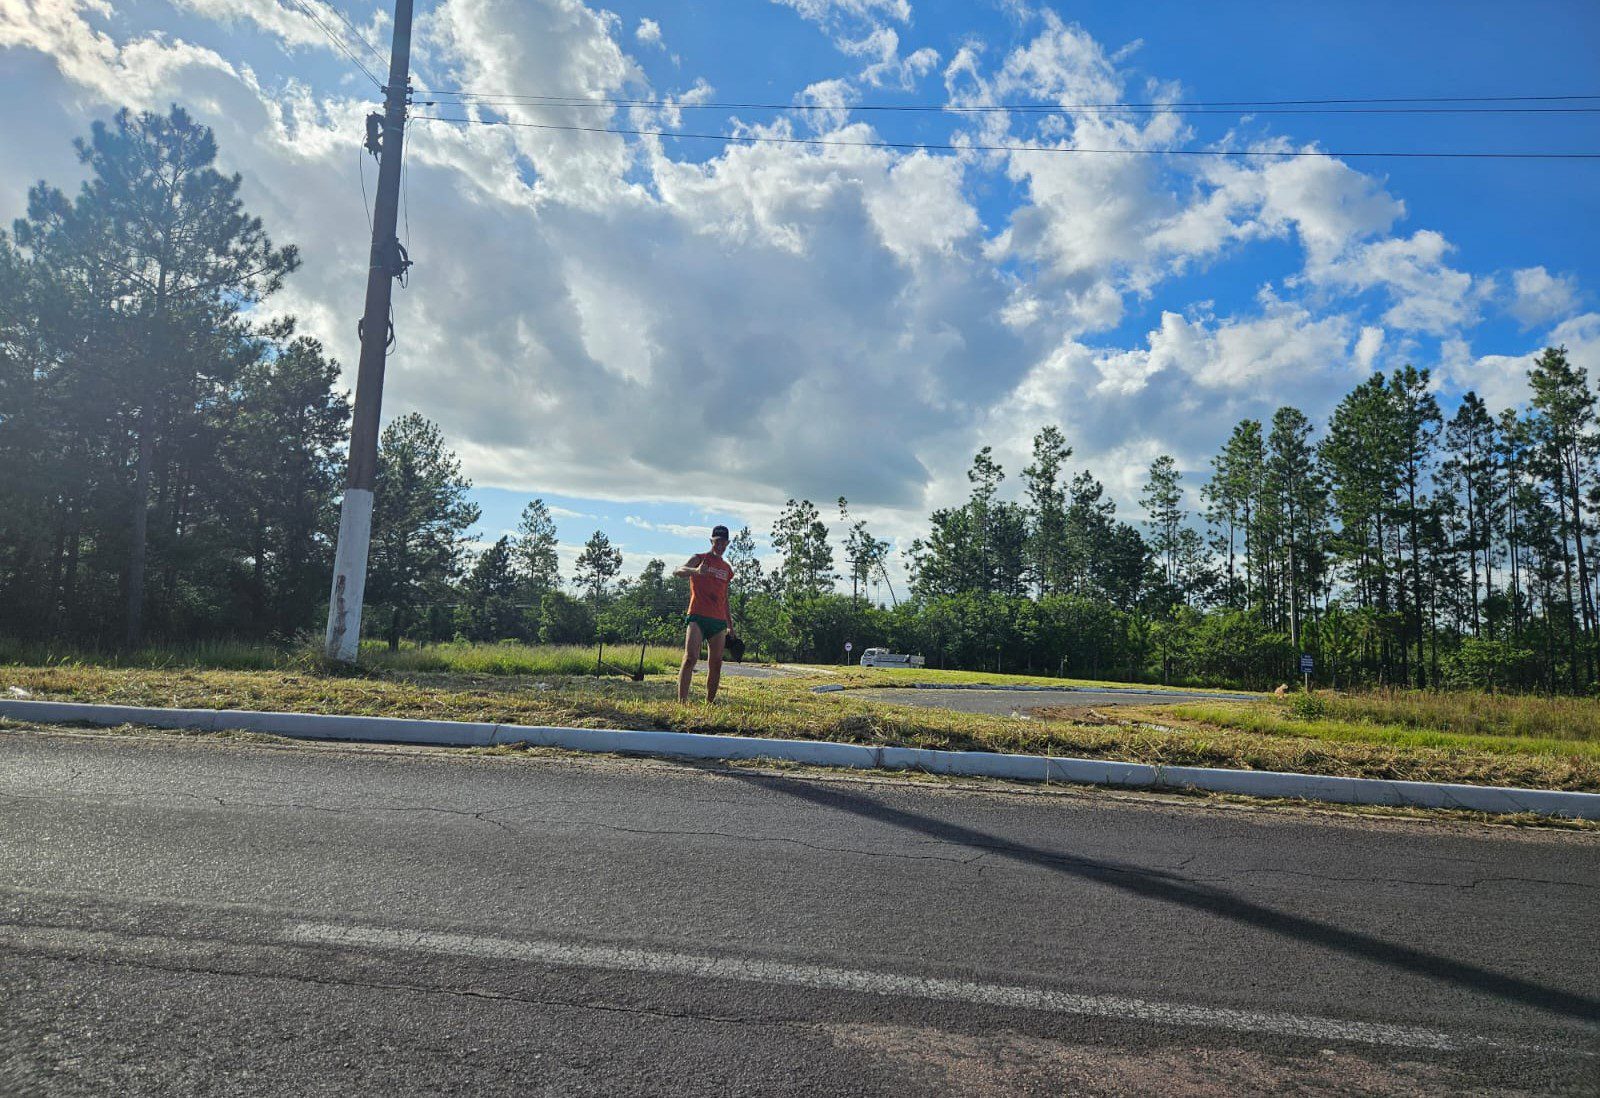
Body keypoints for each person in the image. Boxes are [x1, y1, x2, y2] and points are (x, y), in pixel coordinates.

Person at [675, 525, 733, 704]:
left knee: (716, 663)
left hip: (718, 621)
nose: (720, 545)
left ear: (728, 543)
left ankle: (709, 703)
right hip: (697, 616)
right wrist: (696, 571)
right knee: (690, 657)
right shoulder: (699, 558)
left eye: (724, 542)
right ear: (711, 541)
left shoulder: (726, 568)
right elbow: (678, 571)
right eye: (717, 542)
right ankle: (682, 702)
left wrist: (730, 625)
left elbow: (725, 598)